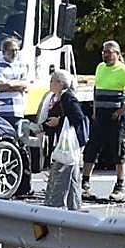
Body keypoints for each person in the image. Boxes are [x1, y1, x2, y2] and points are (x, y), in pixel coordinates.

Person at [81, 40, 125, 203]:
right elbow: (96, 88)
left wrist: (123, 110)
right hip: (100, 115)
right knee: (92, 148)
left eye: (108, 52)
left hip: (117, 117)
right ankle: (84, 184)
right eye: (103, 51)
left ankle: (119, 187)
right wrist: (94, 109)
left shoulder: (123, 70)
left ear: (117, 53)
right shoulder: (100, 67)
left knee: (119, 151)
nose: (105, 54)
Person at [41, 70, 88, 209]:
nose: (50, 83)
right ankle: (74, 207)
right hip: (65, 142)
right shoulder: (56, 97)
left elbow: (78, 116)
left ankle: (54, 206)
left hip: (67, 143)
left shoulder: (68, 98)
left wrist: (59, 121)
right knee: (72, 176)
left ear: (60, 84)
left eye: (52, 80)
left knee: (60, 174)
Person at [0, 37, 32, 122]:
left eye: (17, 50)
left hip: (18, 110)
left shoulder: (22, 65)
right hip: (2, 110)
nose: (15, 53)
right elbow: (1, 86)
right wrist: (17, 85)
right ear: (4, 51)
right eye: (12, 50)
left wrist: (10, 84)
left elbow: (26, 85)